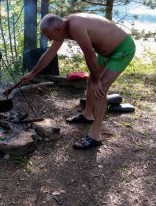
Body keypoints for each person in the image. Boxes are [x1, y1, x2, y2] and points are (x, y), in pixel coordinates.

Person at [20, 13, 136, 150]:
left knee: (101, 88)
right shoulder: (63, 28)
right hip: (106, 52)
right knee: (90, 82)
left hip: (122, 49)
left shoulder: (75, 25)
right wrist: (33, 73)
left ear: (58, 29)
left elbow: (90, 53)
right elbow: (50, 53)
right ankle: (88, 115)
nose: (48, 38)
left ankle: (95, 136)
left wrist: (96, 80)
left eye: (49, 35)